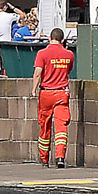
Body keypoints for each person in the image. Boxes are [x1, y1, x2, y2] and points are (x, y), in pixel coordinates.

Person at [32, 26, 76, 168]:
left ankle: (44, 159)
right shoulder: (69, 54)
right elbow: (69, 70)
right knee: (61, 127)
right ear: (62, 40)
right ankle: (60, 157)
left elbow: (38, 72)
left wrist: (34, 89)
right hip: (62, 93)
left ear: (49, 38)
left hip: (46, 93)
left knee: (45, 126)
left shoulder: (42, 53)